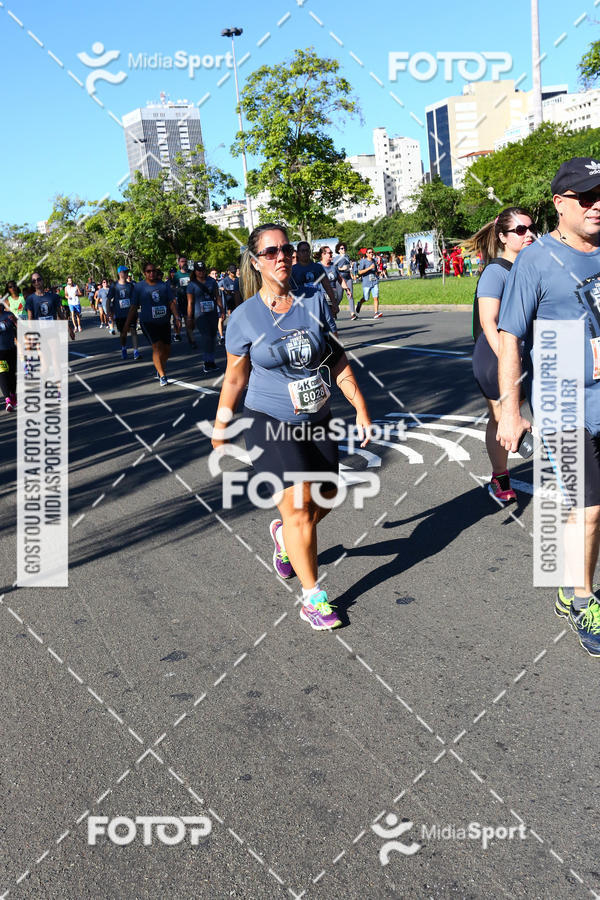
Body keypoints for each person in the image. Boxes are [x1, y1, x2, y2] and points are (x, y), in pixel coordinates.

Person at [212, 223, 373, 631]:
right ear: (255, 261)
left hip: (317, 416)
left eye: (285, 249)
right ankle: (312, 597)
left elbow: (336, 360)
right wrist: (221, 425)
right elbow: (234, 377)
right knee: (300, 505)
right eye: (270, 252)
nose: (281, 257)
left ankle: (285, 539)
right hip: (269, 420)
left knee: (328, 497)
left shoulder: (314, 302)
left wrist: (361, 408)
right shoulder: (244, 318)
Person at [497, 157, 600, 657]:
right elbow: (511, 337)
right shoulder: (536, 261)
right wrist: (510, 411)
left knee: (584, 510)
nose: (597, 205)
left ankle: (565, 573)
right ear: (560, 204)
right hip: (562, 404)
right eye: (587, 197)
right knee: (590, 507)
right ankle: (581, 599)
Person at [466, 207, 537, 502]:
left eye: (531, 228)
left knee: (523, 410)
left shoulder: (530, 267)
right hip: (494, 355)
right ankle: (500, 474)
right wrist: (510, 359)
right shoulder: (496, 271)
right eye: (521, 230)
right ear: (504, 237)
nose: (529, 234)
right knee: (500, 416)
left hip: (522, 352)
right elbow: (487, 322)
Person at [121, 261, 179, 386]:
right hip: (148, 322)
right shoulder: (139, 287)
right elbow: (133, 307)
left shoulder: (163, 286)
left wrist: (177, 317)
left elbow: (171, 302)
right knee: (157, 347)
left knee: (167, 350)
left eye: (153, 271)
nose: (151, 273)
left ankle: (160, 368)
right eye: (148, 271)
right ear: (144, 273)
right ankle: (163, 376)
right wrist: (127, 324)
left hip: (164, 321)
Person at [186, 262, 223, 374]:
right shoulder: (191, 285)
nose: (201, 272)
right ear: (195, 271)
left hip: (212, 314)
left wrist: (221, 310)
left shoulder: (211, 282)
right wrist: (189, 318)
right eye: (198, 270)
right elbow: (190, 303)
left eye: (202, 270)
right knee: (206, 337)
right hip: (200, 315)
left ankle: (211, 360)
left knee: (212, 337)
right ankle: (207, 362)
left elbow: (217, 296)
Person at [291, 241, 338, 312]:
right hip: (301, 305)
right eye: (303, 251)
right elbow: (289, 290)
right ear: (298, 253)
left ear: (310, 252)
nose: (305, 253)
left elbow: (327, 286)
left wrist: (334, 303)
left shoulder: (318, 267)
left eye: (307, 251)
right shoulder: (293, 270)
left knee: (328, 323)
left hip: (318, 303)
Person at [108, 265, 140, 360]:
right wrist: (108, 312)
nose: (126, 274)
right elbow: (108, 299)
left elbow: (135, 298)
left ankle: (136, 352)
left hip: (130, 313)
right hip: (120, 314)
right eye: (124, 272)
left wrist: (136, 308)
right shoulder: (114, 286)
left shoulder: (130, 285)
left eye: (127, 272)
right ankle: (124, 348)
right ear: (119, 273)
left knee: (134, 331)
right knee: (123, 333)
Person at [317, 245, 346, 321]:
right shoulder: (317, 266)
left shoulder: (333, 266)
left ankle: (331, 331)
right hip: (322, 295)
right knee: (326, 318)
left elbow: (340, 278)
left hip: (333, 295)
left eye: (332, 253)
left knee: (333, 317)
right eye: (329, 253)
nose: (331, 254)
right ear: (323, 254)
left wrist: (347, 289)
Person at [0, 300, 18, 411]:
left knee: (11, 374)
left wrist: (15, 322)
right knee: (2, 374)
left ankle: (13, 395)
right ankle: (7, 399)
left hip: (11, 349)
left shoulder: (9, 315)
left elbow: (19, 327)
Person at [356, 248, 383, 319]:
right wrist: (369, 268)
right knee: (366, 298)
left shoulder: (374, 261)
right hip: (366, 283)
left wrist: (377, 273)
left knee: (376, 297)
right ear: (366, 254)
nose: (371, 254)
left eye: (372, 252)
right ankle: (360, 303)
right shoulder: (363, 261)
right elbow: (360, 272)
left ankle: (376, 313)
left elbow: (375, 270)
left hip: (374, 282)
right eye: (370, 252)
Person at [332, 242, 356, 319]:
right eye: (342, 248)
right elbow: (333, 268)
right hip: (340, 279)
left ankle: (353, 313)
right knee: (339, 297)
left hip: (348, 278)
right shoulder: (337, 258)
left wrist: (351, 272)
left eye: (344, 248)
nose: (344, 249)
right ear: (338, 250)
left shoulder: (347, 257)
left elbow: (349, 267)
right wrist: (341, 268)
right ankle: (333, 311)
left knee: (350, 295)